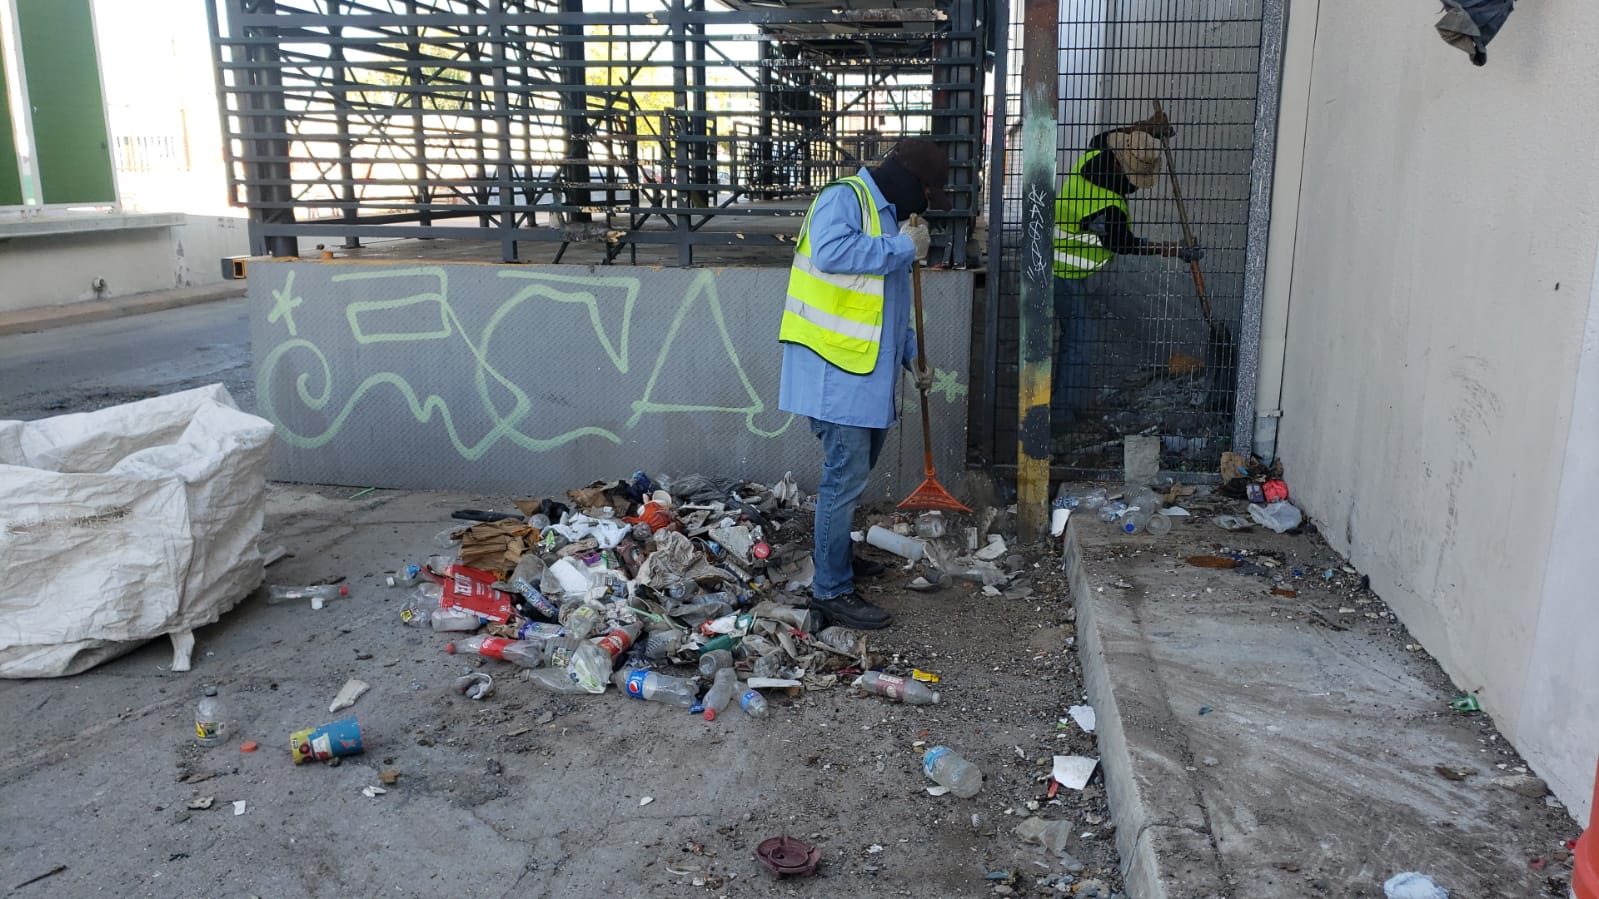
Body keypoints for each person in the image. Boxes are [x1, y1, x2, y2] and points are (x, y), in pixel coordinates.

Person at [777, 138, 951, 630]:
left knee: (852, 478)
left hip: (864, 376)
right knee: (842, 480)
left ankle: (838, 564)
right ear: (906, 179)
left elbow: (885, 303)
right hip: (835, 374)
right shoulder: (845, 198)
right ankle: (830, 590)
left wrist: (912, 356)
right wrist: (901, 247)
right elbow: (831, 253)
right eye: (926, 192)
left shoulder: (886, 218)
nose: (923, 205)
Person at [1053, 109, 1204, 420]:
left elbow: (1105, 138)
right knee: (1080, 340)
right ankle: (1063, 416)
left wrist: (1146, 127)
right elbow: (1122, 243)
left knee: (1073, 336)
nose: (1136, 187)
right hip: (1060, 272)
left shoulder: (1094, 157)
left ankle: (1065, 406)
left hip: (1052, 259)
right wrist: (1174, 250)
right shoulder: (1110, 206)